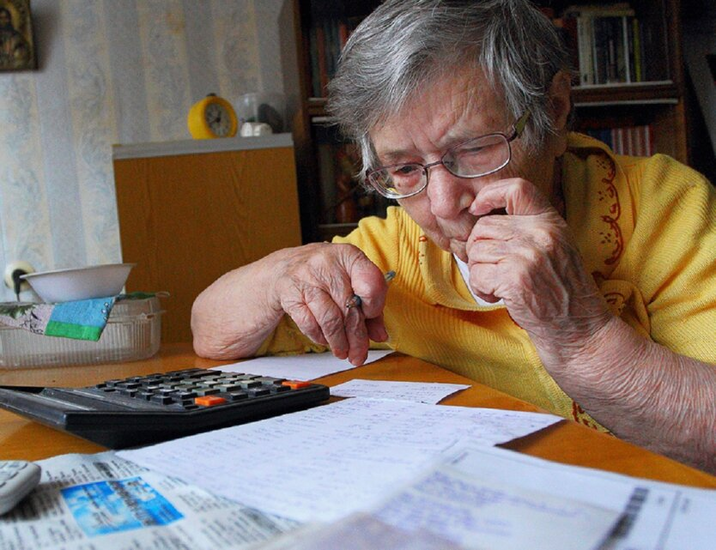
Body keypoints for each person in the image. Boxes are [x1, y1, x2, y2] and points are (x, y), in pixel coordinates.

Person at [192, 0, 716, 474]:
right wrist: (282, 271)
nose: (443, 204)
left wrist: (581, 337)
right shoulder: (393, 251)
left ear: (554, 111)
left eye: (474, 150)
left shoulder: (663, 206)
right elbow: (210, 332)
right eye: (404, 169)